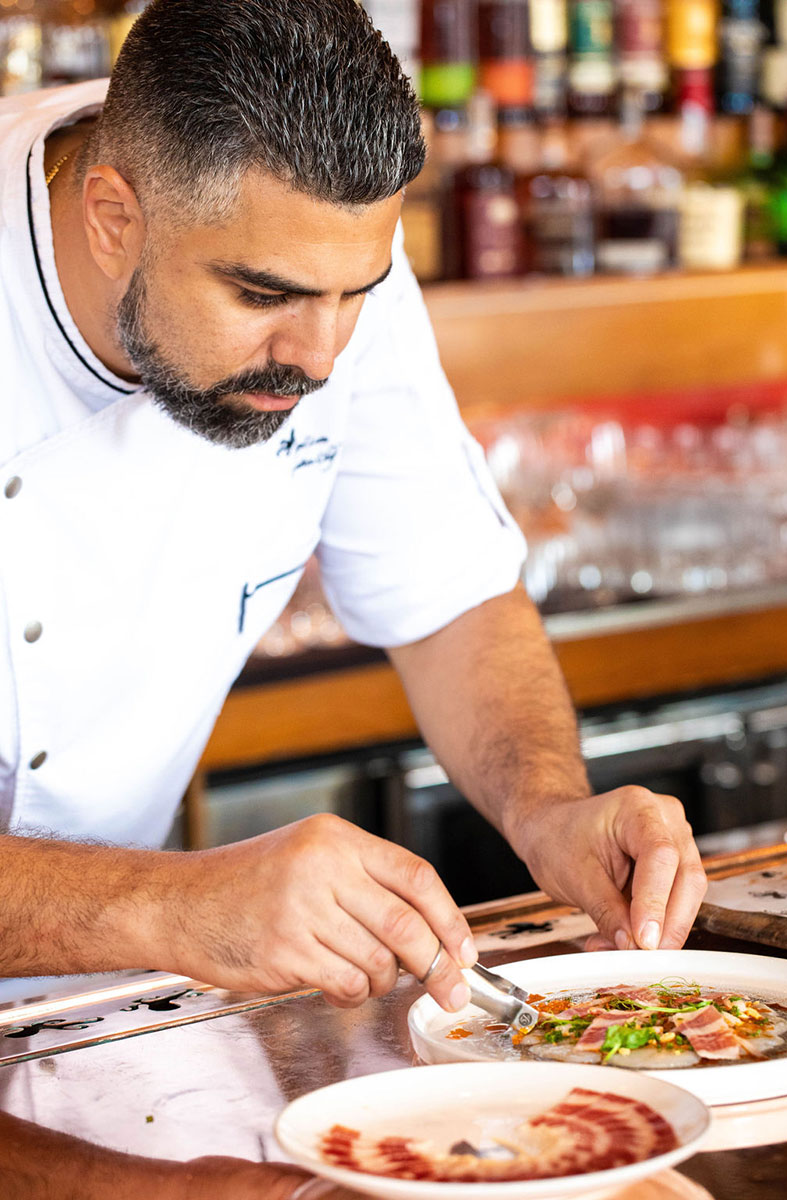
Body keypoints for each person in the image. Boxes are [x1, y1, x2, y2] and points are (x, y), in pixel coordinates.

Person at [0, 0, 706, 1017]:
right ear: (114, 218)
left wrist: (547, 808)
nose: (322, 358)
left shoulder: (317, 256)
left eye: (357, 294)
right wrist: (180, 905)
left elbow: (451, 594)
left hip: (79, 1008)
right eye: (260, 298)